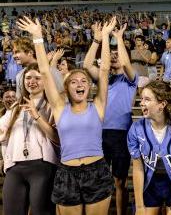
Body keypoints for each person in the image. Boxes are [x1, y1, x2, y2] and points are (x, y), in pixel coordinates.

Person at [17, 16, 115, 215]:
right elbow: (44, 71)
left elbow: (104, 70)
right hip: (67, 173)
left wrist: (105, 37)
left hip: (97, 171)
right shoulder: (59, 107)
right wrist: (37, 37)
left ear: (89, 86)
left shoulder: (98, 106)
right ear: (67, 88)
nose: (80, 84)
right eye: (74, 82)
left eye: (84, 81)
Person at [84, 22, 138, 215]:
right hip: (100, 132)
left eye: (117, 54)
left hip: (122, 134)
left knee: (119, 182)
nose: (114, 56)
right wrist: (98, 40)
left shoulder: (131, 79)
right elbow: (87, 64)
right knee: (101, 179)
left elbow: (124, 63)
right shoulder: (103, 78)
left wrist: (119, 39)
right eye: (111, 54)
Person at [127, 80, 171, 215]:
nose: (141, 103)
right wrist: (140, 207)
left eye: (147, 99)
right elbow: (138, 169)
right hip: (150, 183)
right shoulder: (136, 129)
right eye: (141, 99)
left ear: (161, 105)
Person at [0, 63, 59, 215]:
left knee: (42, 212)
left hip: (42, 166)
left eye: (37, 78)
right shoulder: (15, 107)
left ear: (46, 81)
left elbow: (56, 139)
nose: (32, 81)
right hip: (15, 166)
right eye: (28, 78)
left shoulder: (52, 106)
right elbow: (2, 135)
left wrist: (37, 116)